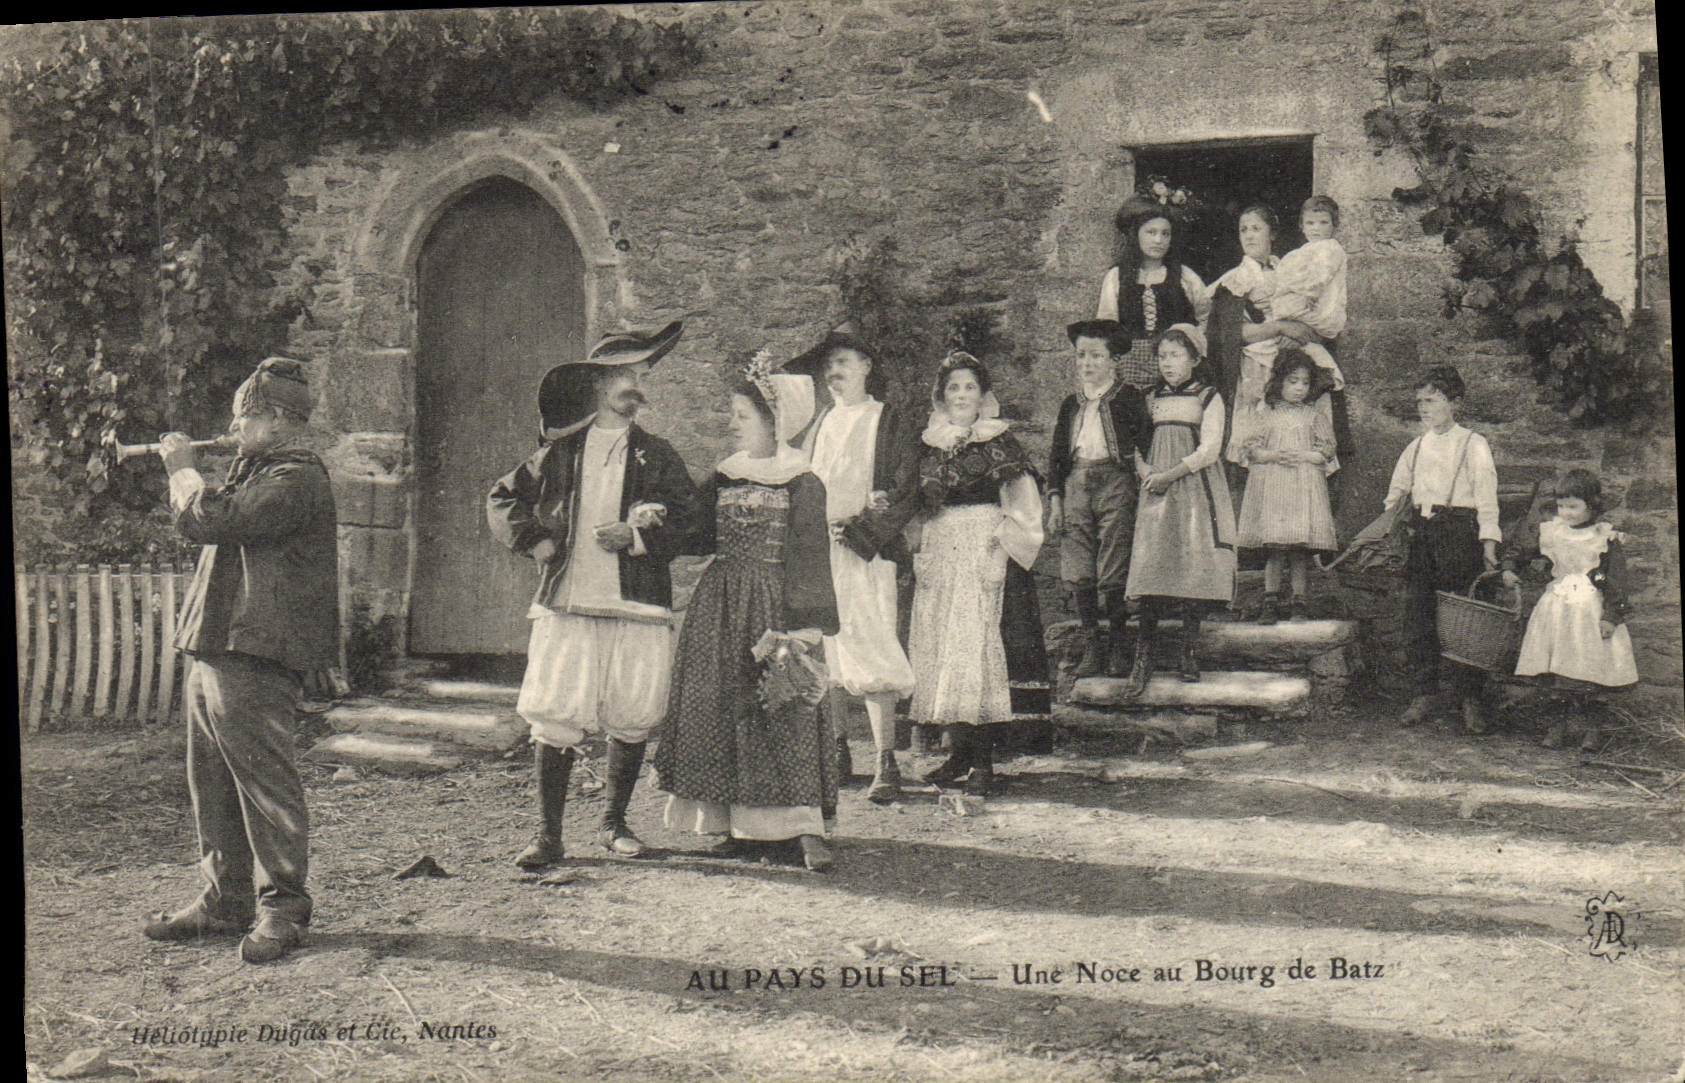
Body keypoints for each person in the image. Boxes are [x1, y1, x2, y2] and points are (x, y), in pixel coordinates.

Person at [143, 357, 338, 965]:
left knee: (264, 783)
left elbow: (210, 521)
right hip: (217, 643)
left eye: (243, 416)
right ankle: (225, 900)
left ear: (279, 420)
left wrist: (182, 469)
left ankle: (283, 907)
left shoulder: (297, 477)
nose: (232, 426)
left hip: (257, 649)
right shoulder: (258, 469)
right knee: (213, 780)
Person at [487, 322, 701, 866]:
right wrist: (533, 540)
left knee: (631, 712)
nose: (638, 386)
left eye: (641, 375)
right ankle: (548, 835)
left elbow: (696, 525)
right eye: (628, 376)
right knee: (556, 713)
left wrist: (638, 536)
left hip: (637, 603)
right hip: (571, 602)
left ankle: (613, 824)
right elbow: (503, 497)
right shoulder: (560, 454)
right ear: (599, 386)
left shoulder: (659, 455)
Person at [654, 354, 841, 871]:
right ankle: (734, 824)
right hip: (720, 606)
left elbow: (809, 558)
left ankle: (801, 829)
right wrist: (654, 520)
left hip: (773, 605)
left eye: (741, 414)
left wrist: (803, 629)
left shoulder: (803, 481)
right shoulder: (724, 475)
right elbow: (694, 534)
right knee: (720, 708)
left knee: (781, 707)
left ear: (773, 422)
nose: (731, 423)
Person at [785, 324, 919, 804]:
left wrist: (866, 530)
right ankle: (838, 750)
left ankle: (886, 760)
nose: (834, 373)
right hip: (823, 551)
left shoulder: (888, 420)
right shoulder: (820, 422)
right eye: (829, 367)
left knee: (873, 644)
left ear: (866, 367)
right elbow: (803, 481)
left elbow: (906, 489)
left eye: (843, 363)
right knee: (829, 651)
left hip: (865, 550)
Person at [907, 353, 1045, 796]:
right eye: (953, 388)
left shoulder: (998, 441)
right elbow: (918, 505)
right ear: (941, 396)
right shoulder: (930, 442)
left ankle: (984, 759)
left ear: (983, 395)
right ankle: (959, 752)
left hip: (983, 545)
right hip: (942, 546)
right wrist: (920, 549)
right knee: (946, 648)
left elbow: (1024, 505)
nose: (961, 396)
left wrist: (1000, 553)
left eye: (969, 387)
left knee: (978, 647)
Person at [1383, 365, 1501, 732]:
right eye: (1419, 401)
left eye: (1431, 400)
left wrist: (1489, 546)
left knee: (1464, 619)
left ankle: (1471, 700)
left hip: (1459, 535)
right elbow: (1395, 495)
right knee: (1418, 613)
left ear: (1454, 402)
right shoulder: (1415, 447)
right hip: (1421, 535)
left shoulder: (1473, 444)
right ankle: (1425, 693)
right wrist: (1394, 525)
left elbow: (1487, 499)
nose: (1423, 408)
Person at [1122, 325, 1237, 695]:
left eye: (1175, 355)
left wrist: (1171, 474)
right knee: (1153, 564)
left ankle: (1189, 648)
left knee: (1191, 562)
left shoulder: (1208, 397)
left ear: (1194, 359)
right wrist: (1146, 473)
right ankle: (1144, 655)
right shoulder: (1149, 397)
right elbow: (1136, 442)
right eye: (1162, 356)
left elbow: (1210, 449)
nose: (1167, 363)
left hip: (1192, 486)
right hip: (1156, 489)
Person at [1502, 468, 1638, 750]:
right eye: (1562, 506)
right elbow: (1522, 550)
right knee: (1554, 670)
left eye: (1573, 506)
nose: (1566, 512)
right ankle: (1556, 727)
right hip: (1557, 609)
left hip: (1588, 611)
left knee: (1590, 670)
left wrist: (1612, 616)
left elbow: (1617, 580)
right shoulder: (1552, 532)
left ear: (1592, 505)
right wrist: (1509, 568)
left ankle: (1592, 730)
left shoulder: (1604, 537)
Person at [1047, 319, 1153, 677]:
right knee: (1080, 566)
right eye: (1081, 356)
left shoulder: (1129, 397)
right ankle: (1092, 646)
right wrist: (1056, 499)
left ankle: (1119, 646)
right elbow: (1057, 456)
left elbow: (1145, 443)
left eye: (1096, 356)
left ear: (1114, 360)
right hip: (1077, 481)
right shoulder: (1069, 404)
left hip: (1116, 481)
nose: (1087, 363)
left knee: (1113, 560)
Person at [1235, 351, 1339, 623]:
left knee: (1298, 550)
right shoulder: (1266, 414)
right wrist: (1275, 455)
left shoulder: (1313, 416)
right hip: (1275, 488)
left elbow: (1326, 450)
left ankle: (1299, 603)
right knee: (1276, 548)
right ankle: (1270, 601)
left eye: (1305, 383)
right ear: (1279, 381)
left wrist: (1305, 456)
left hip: (1302, 487)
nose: (1299, 388)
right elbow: (1252, 449)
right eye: (1293, 381)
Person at [1096, 196, 1212, 390]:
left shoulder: (1184, 276)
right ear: (1136, 235)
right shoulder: (1117, 277)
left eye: (1165, 234)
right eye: (1151, 232)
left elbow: (1206, 316)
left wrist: (1190, 348)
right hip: (1130, 369)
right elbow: (1106, 327)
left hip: (1174, 368)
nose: (1158, 240)